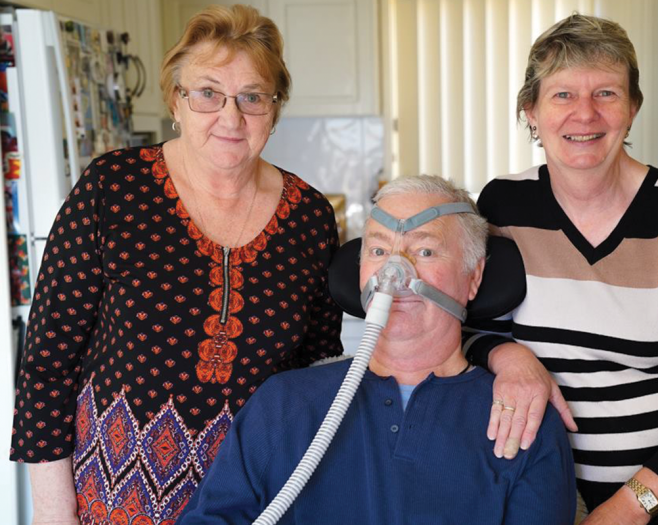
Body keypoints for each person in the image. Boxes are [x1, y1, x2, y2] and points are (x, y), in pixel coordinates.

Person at [10, 5, 343, 524]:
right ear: (176, 100)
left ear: (274, 111)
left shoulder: (310, 217)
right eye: (208, 93)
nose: (230, 117)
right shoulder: (112, 189)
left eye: (252, 97)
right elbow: (47, 367)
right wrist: (56, 517)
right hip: (116, 501)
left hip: (262, 502)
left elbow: (319, 375)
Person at [463, 13, 658, 525]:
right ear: (531, 111)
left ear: (632, 108)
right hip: (561, 495)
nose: (584, 114)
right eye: (562, 95)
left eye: (606, 94)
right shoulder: (505, 204)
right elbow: (473, 330)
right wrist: (509, 355)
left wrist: (630, 508)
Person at [176, 175, 577, 524]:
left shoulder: (522, 421)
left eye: (425, 251)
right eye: (379, 251)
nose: (394, 273)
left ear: (473, 279)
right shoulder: (284, 404)